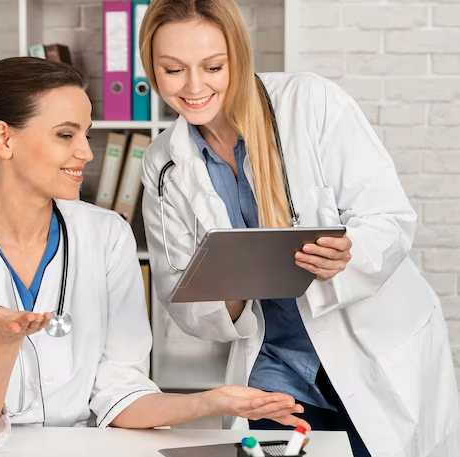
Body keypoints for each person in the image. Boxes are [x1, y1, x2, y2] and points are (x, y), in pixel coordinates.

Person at [0, 56, 310, 451]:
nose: (86, 152)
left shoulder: (108, 235)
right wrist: (1, 343)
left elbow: (121, 394)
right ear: (4, 139)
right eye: (66, 135)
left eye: (86, 133)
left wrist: (209, 401)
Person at [138, 1, 460, 457]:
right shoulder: (163, 163)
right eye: (173, 70)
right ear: (152, 68)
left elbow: (388, 218)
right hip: (275, 360)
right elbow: (181, 294)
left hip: (370, 344)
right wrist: (224, 289)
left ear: (239, 56)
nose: (194, 87)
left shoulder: (310, 102)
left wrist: (350, 252)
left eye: (213, 66)